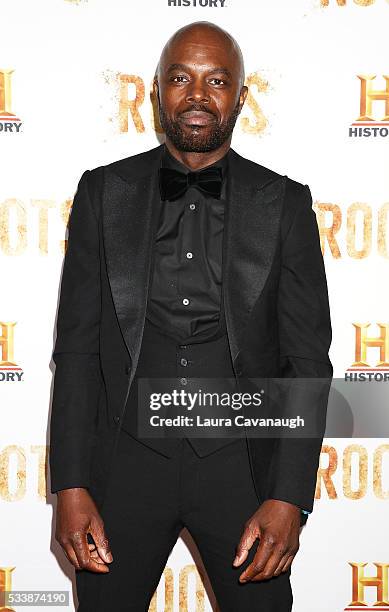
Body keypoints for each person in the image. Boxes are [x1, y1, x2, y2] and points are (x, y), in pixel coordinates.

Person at [49, 20, 333, 611]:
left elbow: (305, 360)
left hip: (240, 469)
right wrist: (70, 486)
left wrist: (289, 497)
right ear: (156, 91)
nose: (198, 95)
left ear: (241, 97)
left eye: (217, 81)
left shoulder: (285, 204)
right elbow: (76, 349)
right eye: (181, 78)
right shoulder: (103, 193)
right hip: (124, 468)